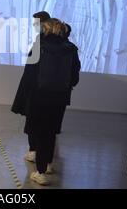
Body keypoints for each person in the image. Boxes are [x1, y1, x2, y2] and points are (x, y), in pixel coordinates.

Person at [11, 18, 81, 186]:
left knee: (40, 133)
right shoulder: (71, 49)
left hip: (39, 97)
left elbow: (29, 75)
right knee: (51, 132)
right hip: (60, 98)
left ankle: (40, 172)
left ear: (46, 30)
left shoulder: (39, 46)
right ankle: (48, 164)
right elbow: (75, 77)